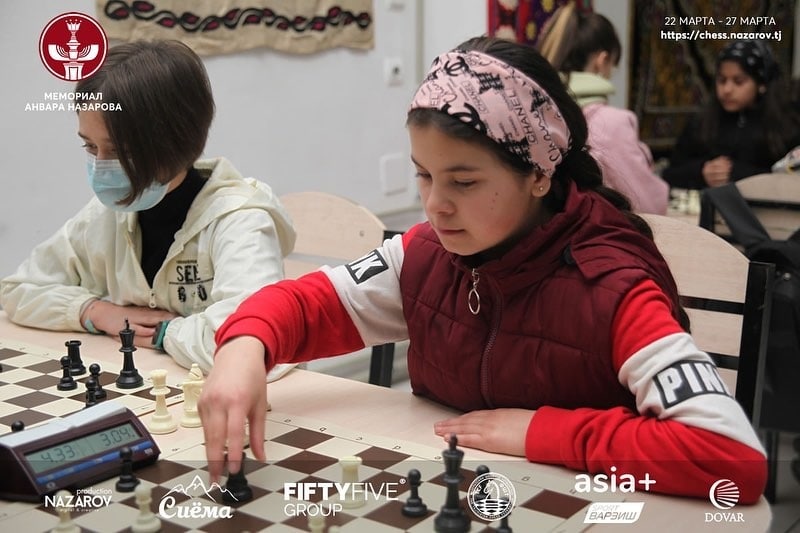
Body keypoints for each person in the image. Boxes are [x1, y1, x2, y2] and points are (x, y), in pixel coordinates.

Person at [198, 36, 767, 502]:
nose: (434, 206)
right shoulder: (427, 254)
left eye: (464, 182)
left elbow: (731, 459)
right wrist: (244, 345)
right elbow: (306, 304)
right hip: (462, 493)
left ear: (538, 175)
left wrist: (543, 431)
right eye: (424, 175)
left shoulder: (614, 289)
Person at [0, 40, 295, 379]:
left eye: (119, 151)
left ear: (175, 141)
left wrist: (164, 332)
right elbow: (19, 290)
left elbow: (252, 345)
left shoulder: (241, 220)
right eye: (90, 146)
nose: (100, 166)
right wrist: (95, 311)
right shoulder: (108, 214)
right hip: (158, 382)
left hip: (246, 398)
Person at [536, 3, 669, 214]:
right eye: (613, 66)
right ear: (602, 61)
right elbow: (648, 204)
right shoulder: (610, 123)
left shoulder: (534, 110)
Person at [663, 39, 800, 189]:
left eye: (738, 81)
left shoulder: (786, 125)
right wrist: (702, 171)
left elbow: (791, 178)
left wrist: (738, 174)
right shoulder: (701, 122)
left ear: (761, 84)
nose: (727, 90)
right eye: (722, 80)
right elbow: (670, 174)